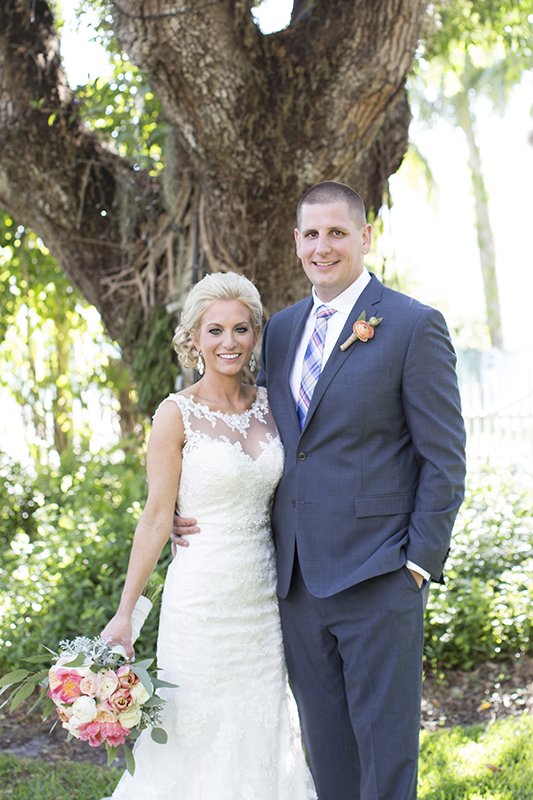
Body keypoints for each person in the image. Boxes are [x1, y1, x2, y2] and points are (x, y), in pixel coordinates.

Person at [173, 182, 467, 800]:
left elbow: (444, 458)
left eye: (337, 232)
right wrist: (195, 505)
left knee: (385, 760)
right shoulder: (278, 331)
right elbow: (267, 438)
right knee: (326, 756)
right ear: (297, 242)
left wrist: (416, 563)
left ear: (365, 237)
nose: (323, 246)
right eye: (311, 234)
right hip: (297, 584)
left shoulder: (414, 326)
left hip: (379, 574)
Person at [101, 272, 317, 800]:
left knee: (263, 720)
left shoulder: (275, 405)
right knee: (192, 724)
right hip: (200, 599)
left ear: (256, 334)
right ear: (193, 339)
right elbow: (156, 515)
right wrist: (126, 613)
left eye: (241, 329)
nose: (229, 343)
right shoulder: (176, 415)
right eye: (215, 330)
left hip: (265, 597)